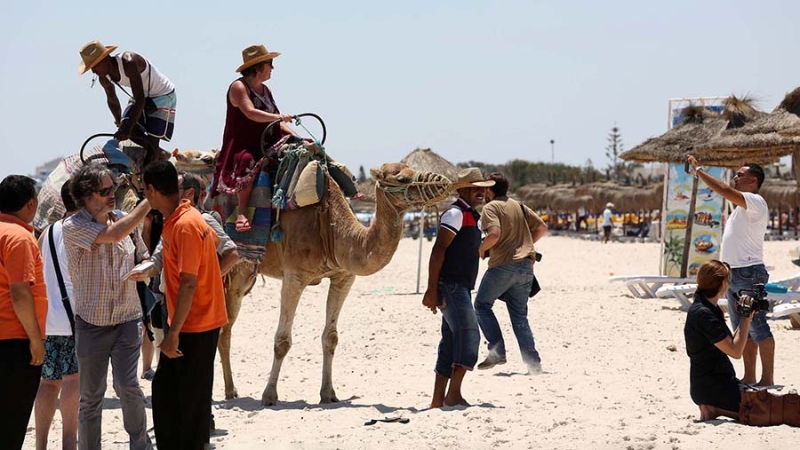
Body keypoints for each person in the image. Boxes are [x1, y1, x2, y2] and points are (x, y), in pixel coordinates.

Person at [137, 161, 228, 449]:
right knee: (179, 395)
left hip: (194, 324)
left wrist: (174, 332)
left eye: (144, 190)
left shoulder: (186, 224)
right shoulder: (182, 218)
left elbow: (189, 281)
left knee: (184, 400)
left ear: (151, 190)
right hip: (196, 320)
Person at [62, 163, 153, 450]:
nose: (111, 194)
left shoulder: (125, 220)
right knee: (91, 397)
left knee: (128, 387)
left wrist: (147, 268)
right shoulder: (74, 226)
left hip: (128, 319)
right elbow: (114, 235)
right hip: (92, 325)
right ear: (86, 196)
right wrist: (149, 201)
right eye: (104, 191)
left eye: (112, 188)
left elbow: (143, 255)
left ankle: (141, 444)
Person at [687, 156, 774, 387]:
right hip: (736, 273)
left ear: (753, 180)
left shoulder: (755, 201)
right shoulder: (741, 208)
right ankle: (750, 376)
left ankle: (767, 378)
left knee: (759, 327)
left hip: (749, 272)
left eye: (740, 175)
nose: (735, 177)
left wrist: (700, 171)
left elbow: (723, 189)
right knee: (743, 328)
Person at [422, 168, 494, 408]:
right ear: (463, 189)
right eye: (476, 188)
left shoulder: (472, 216)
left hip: (460, 286)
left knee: (451, 341)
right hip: (451, 286)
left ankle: (437, 400)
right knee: (470, 334)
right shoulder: (455, 214)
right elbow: (438, 251)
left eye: (484, 188)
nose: (481, 192)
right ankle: (453, 395)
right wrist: (432, 290)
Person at [210, 44, 298, 232]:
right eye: (270, 64)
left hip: (269, 138)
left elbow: (276, 119)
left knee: (304, 149)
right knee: (247, 161)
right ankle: (242, 212)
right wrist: (279, 117)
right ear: (258, 67)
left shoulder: (266, 90)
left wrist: (295, 136)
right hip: (245, 142)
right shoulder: (238, 87)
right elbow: (251, 113)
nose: (272, 68)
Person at [474, 172, 548, 373]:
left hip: (503, 265)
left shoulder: (490, 207)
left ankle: (497, 350)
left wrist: (481, 248)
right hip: (526, 267)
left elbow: (494, 234)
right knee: (519, 317)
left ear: (490, 189)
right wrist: (525, 245)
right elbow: (542, 227)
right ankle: (533, 364)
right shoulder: (518, 205)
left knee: (481, 304)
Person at [0, 175, 48, 450]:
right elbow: (20, 293)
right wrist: (35, 340)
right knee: (11, 422)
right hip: (14, 342)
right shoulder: (19, 237)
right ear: (31, 204)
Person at [78, 40, 177, 168]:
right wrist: (120, 124)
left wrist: (126, 129)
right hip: (141, 95)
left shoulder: (129, 62)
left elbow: (140, 99)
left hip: (162, 94)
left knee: (149, 145)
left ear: (105, 60)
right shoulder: (104, 78)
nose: (93, 72)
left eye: (95, 67)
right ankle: (159, 151)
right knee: (128, 129)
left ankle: (151, 161)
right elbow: (112, 100)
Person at [35, 181, 80, 450]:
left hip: (48, 318)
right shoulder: (84, 230)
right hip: (75, 317)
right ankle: (68, 443)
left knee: (48, 382)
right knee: (74, 379)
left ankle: (40, 444)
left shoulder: (48, 232)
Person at [684, 260, 752, 421]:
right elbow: (735, 352)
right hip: (714, 388)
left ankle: (712, 407)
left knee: (767, 403)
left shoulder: (707, 307)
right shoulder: (704, 314)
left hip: (710, 384)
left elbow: (731, 343)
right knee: (770, 411)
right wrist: (746, 318)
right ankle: (712, 407)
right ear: (722, 284)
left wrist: (744, 315)